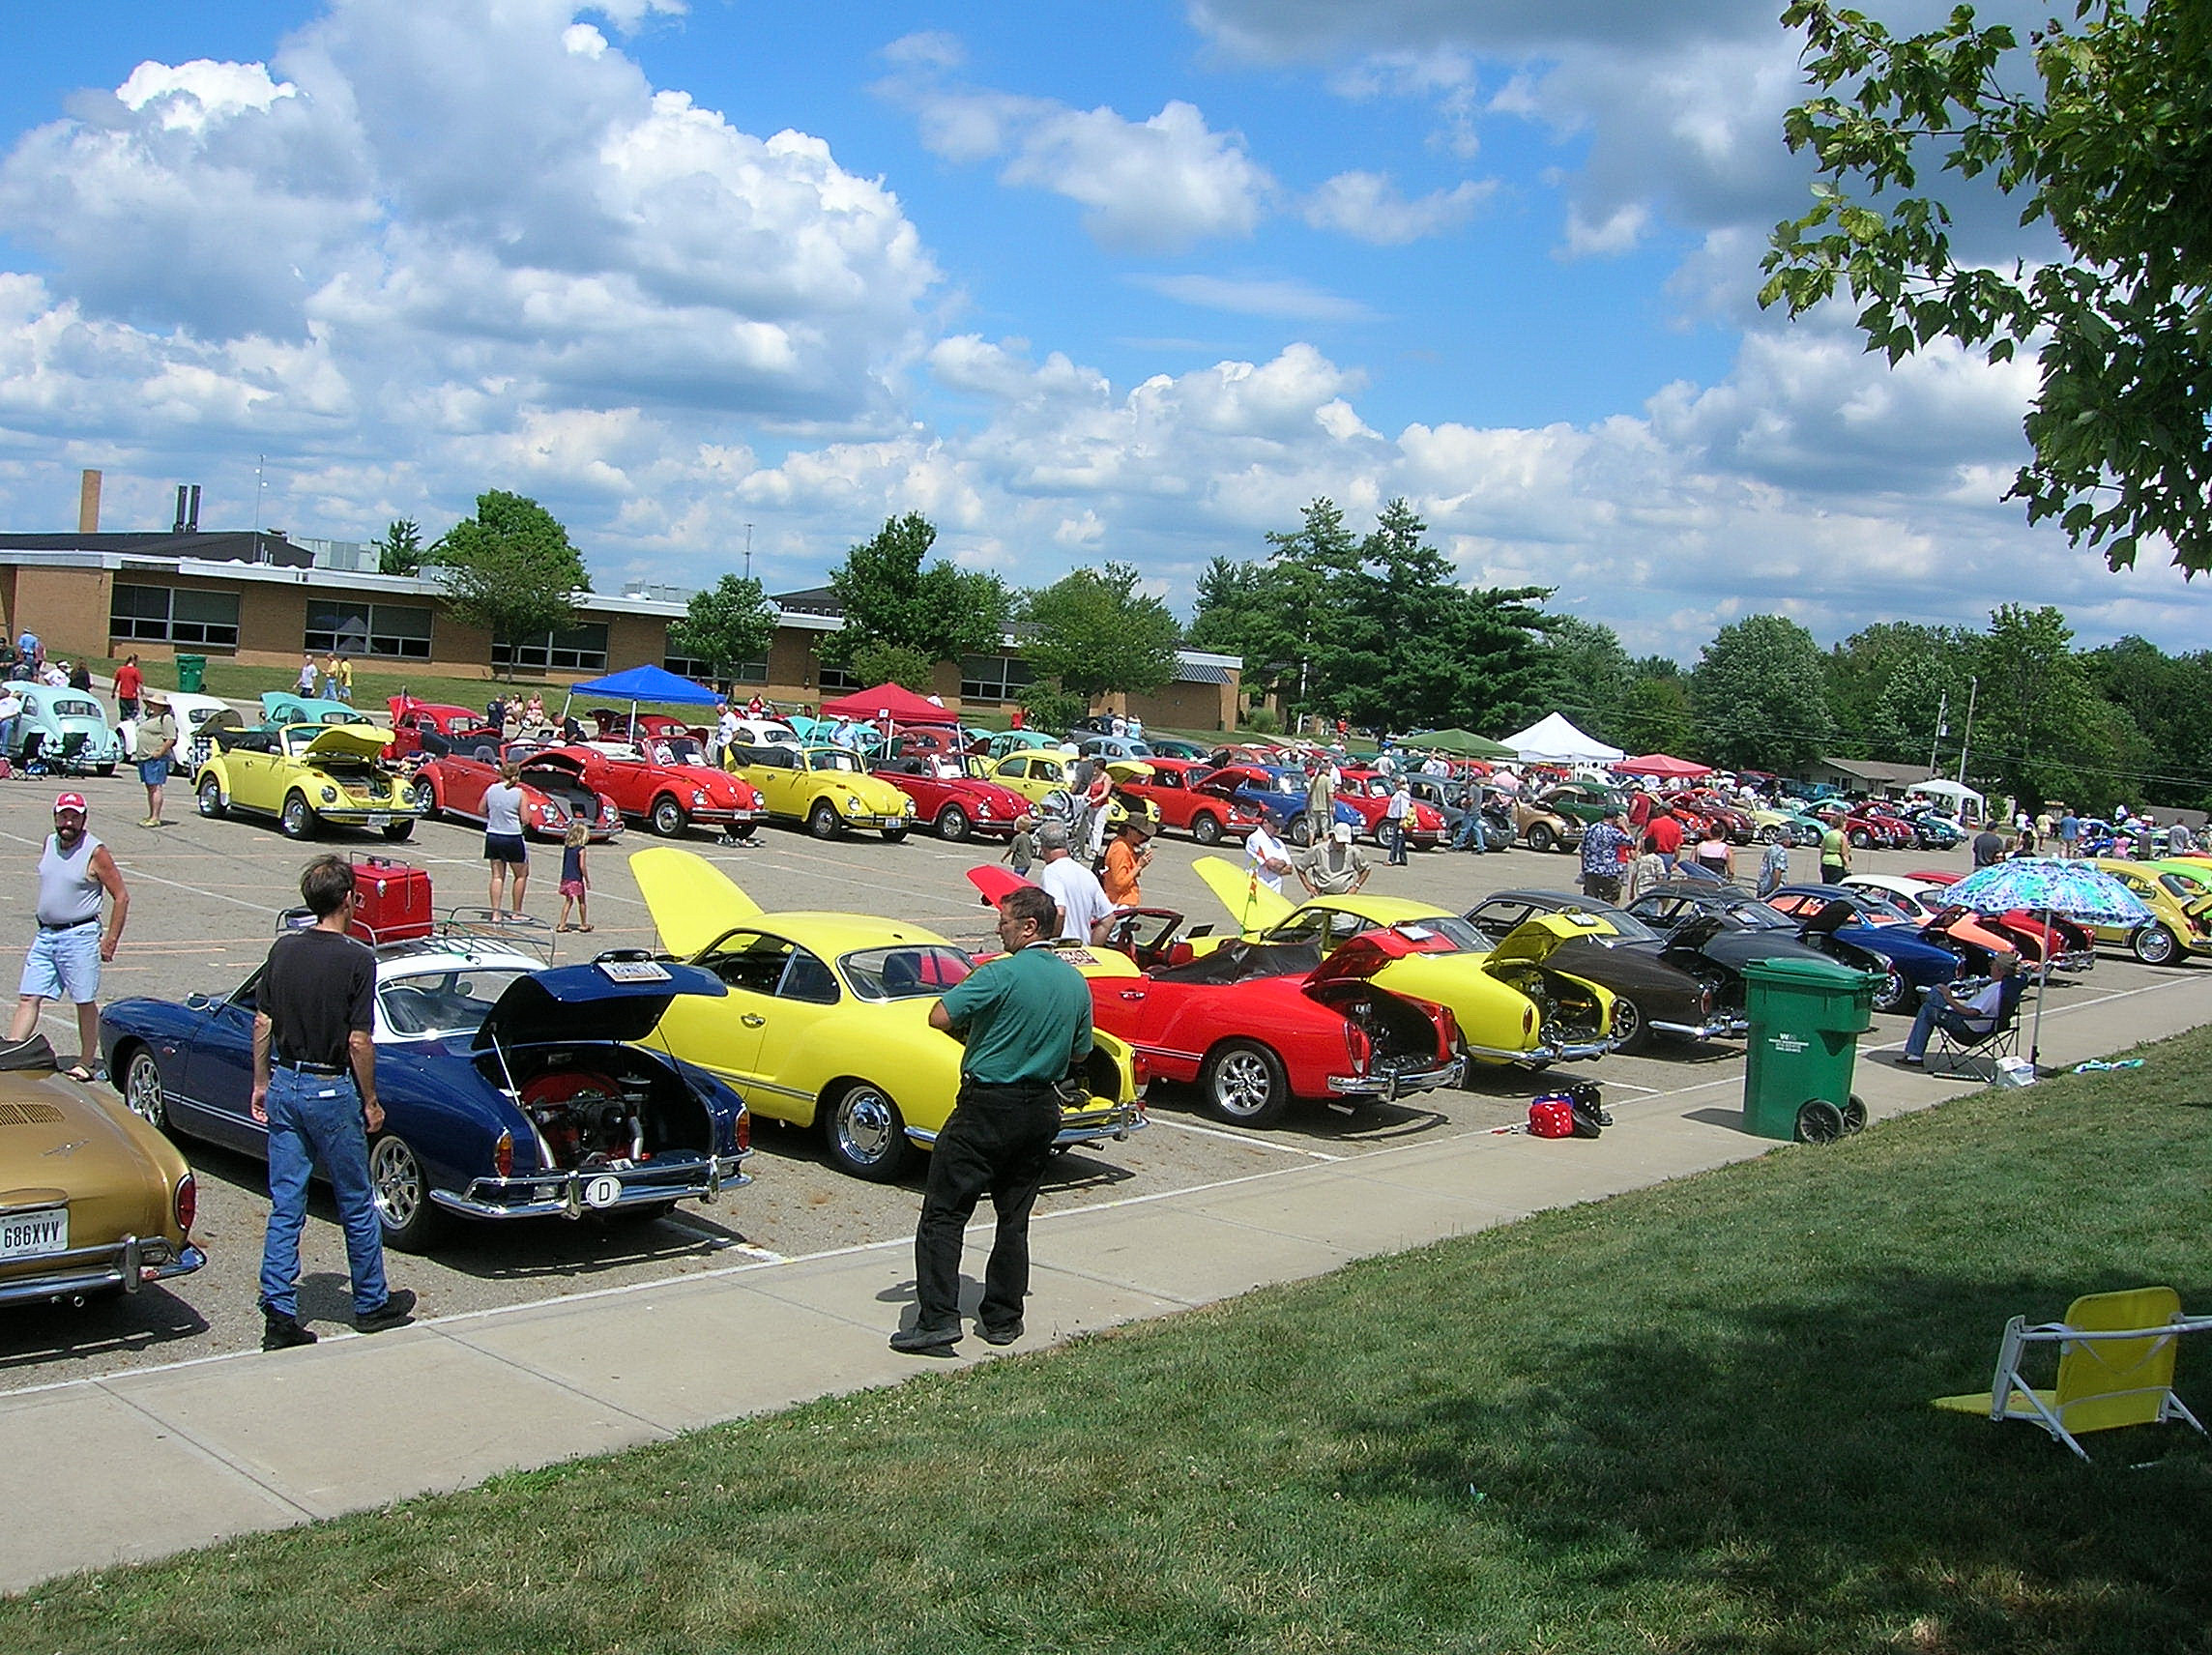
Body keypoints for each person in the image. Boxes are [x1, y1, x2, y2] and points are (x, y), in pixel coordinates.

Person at [893, 884, 1092, 1353]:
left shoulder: (1000, 975)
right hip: (1041, 1109)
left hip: (987, 1107)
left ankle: (938, 1318)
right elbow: (1081, 1050)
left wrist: (980, 1025)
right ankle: (1003, 1318)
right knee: (1013, 1216)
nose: (998, 930)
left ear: (1029, 926)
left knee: (944, 1213)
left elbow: (939, 1016)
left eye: (1003, 922)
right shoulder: (1074, 982)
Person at [252, 855, 415, 1350]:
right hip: (331, 1087)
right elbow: (359, 1041)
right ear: (349, 899)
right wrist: (370, 1100)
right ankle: (370, 1301)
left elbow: (262, 1023)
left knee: (287, 1203)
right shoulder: (357, 959)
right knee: (355, 1200)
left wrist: (261, 1080)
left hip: (286, 1082)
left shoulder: (283, 952)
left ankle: (278, 1310)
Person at [6, 792, 128, 1082]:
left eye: (74, 816)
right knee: (28, 996)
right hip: (46, 934)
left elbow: (121, 897)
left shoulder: (95, 851)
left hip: (80, 935)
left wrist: (111, 939)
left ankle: (86, 1062)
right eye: (63, 816)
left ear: (84, 819)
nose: (68, 822)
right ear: (55, 817)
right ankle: (10, 1055)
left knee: (84, 999)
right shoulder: (49, 843)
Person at [1898, 954, 2021, 1065]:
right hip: (1983, 1028)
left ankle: (1915, 1055)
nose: (1990, 968)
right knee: (1937, 993)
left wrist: (1949, 999)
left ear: (2000, 970)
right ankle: (1914, 1054)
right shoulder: (2008, 989)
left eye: (1992, 965)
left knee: (1928, 1007)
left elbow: (1972, 1013)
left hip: (1967, 1030)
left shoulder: (1995, 989)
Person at [1033, 821, 1115, 943]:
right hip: (1082, 952)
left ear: (1043, 847)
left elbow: (1059, 912)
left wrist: (1050, 941)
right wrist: (1093, 950)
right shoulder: (1086, 874)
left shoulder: (1051, 871)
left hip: (1062, 951)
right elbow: (1109, 919)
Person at [481, 760, 531, 918]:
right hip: (512, 836)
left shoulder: (491, 790)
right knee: (521, 874)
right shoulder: (520, 794)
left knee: (497, 876)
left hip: (493, 834)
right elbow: (526, 819)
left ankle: (496, 913)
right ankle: (516, 912)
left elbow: (481, 809)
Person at [131, 689, 180, 828]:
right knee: (149, 787)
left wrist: (160, 752)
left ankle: (156, 816)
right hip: (144, 756)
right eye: (152, 703)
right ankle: (151, 814)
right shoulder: (151, 718)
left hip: (156, 758)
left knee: (155, 787)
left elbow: (170, 738)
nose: (153, 706)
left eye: (156, 704)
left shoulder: (166, 719)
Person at [1296, 822, 1370, 896]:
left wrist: (1356, 886)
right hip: (1321, 895)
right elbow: (1300, 867)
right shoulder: (1318, 850)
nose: (1341, 845)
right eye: (1339, 842)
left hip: (1344, 895)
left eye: (1344, 842)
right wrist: (1308, 886)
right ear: (1333, 836)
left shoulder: (1353, 851)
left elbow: (1366, 869)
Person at [1580, 807, 1632, 902]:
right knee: (1609, 898)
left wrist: (1584, 867)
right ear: (1615, 818)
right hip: (1607, 871)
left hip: (1591, 870)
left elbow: (1583, 849)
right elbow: (1631, 841)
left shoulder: (1591, 829)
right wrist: (1624, 827)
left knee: (1589, 900)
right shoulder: (1612, 832)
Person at [1101, 818, 1151, 906]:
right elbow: (1119, 884)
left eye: (1146, 835)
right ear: (1129, 830)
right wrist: (1139, 866)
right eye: (1140, 833)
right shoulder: (1121, 849)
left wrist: (1137, 859)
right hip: (1120, 902)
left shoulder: (1127, 845)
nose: (1143, 837)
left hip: (1124, 900)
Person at [1244, 807, 1295, 891]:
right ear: (1265, 822)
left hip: (1275, 892)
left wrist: (1277, 865)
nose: (1277, 830)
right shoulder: (1255, 838)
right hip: (1258, 890)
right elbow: (1271, 864)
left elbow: (1289, 869)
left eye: (1279, 827)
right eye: (1275, 826)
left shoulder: (1279, 842)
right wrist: (1282, 863)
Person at [555, 819, 593, 933]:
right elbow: (582, 865)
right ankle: (583, 924)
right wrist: (587, 879)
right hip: (576, 879)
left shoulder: (568, 847)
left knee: (568, 901)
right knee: (582, 902)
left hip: (566, 877)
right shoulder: (581, 849)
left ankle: (562, 924)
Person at [1644, 806, 1683, 873]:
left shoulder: (1654, 823)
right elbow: (1677, 847)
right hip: (1668, 857)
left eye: (1659, 810)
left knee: (1652, 879)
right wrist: (1675, 861)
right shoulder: (1676, 825)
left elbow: (1646, 839)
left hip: (1655, 854)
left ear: (1662, 810)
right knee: (1665, 880)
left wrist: (1644, 853)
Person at [1305, 759, 1335, 845]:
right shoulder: (1327, 780)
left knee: (1312, 830)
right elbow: (1330, 795)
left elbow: (1309, 795)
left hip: (1313, 808)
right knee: (1325, 830)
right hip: (1324, 808)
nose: (1329, 770)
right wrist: (1333, 806)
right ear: (1324, 770)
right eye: (1328, 769)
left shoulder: (1313, 779)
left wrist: (1307, 805)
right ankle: (1324, 847)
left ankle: (1310, 847)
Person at [1002, 813, 1037, 879]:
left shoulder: (1017, 838)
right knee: (1022, 878)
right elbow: (1031, 850)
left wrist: (1004, 857)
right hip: (1027, 863)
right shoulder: (1028, 837)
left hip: (1020, 863)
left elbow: (1011, 849)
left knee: (1017, 878)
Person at [1819, 814, 1851, 885]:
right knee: (1835, 885)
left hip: (1826, 862)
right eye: (1845, 824)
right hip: (1836, 863)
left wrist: (1822, 862)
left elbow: (1822, 850)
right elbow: (1844, 854)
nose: (1846, 826)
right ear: (1841, 824)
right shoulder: (1842, 836)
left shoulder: (1827, 835)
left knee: (1826, 884)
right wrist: (1848, 867)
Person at [113, 653, 142, 723]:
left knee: (124, 715)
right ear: (133, 661)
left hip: (123, 695)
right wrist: (143, 693)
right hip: (132, 696)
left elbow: (116, 682)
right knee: (134, 714)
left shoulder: (121, 669)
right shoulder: (135, 671)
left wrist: (113, 692)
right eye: (137, 661)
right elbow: (139, 684)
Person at [0, 682, 22, 764]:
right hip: (6, 720)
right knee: (5, 738)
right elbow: (16, 712)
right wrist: (4, 717)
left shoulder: (3, 700)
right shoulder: (18, 702)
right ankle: (3, 754)